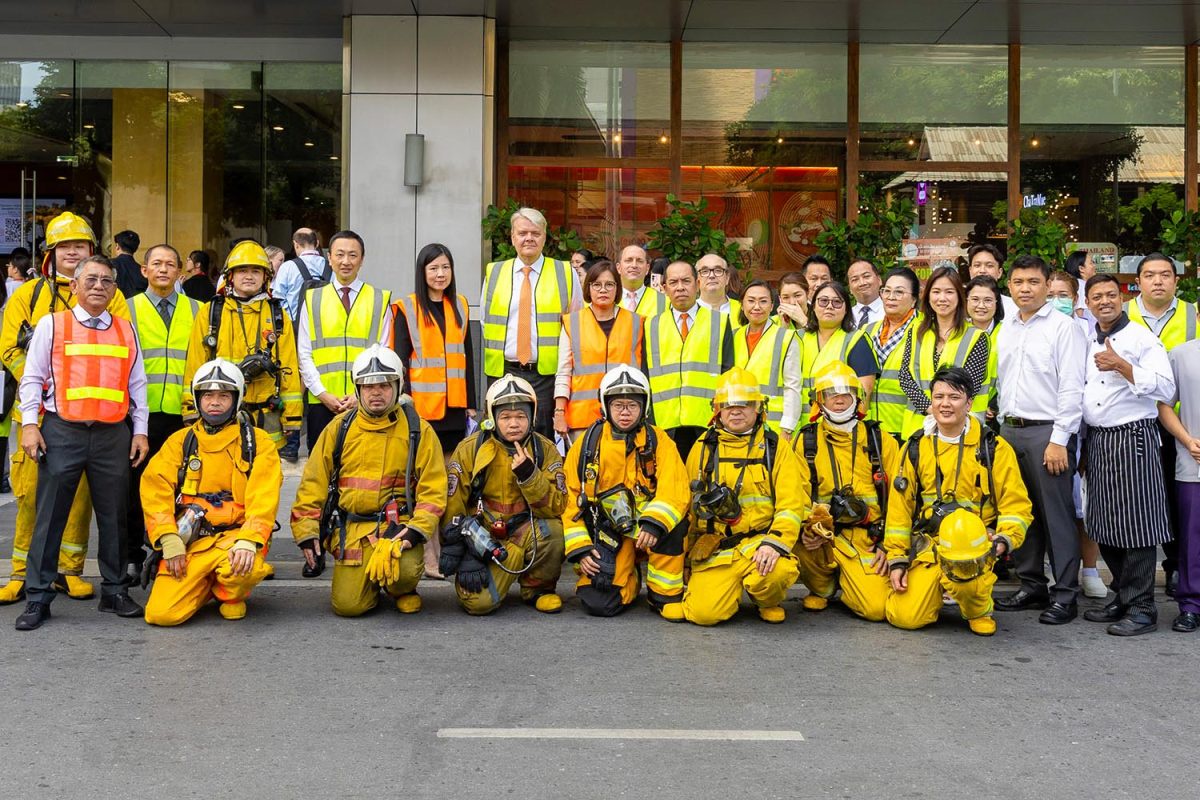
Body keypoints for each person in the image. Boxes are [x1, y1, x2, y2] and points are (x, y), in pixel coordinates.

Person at [0, 212, 130, 605]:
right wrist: (43, 385)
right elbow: (8, 348)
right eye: (65, 246)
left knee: (81, 499)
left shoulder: (113, 296)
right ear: (50, 254)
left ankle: (69, 571)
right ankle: (22, 573)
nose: (73, 252)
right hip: (38, 416)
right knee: (31, 496)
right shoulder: (27, 296)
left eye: (81, 246)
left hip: (92, 418)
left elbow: (123, 352)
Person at [14, 255, 149, 630]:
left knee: (114, 517)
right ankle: (38, 595)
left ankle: (114, 591)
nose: (98, 287)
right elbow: (32, 378)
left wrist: (139, 430)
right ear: (73, 285)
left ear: (115, 289)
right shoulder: (52, 325)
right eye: (90, 280)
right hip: (63, 431)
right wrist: (29, 424)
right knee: (50, 516)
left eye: (106, 281)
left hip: (112, 435)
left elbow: (137, 384)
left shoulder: (125, 330)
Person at [290, 344, 446, 617]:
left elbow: (434, 489)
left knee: (403, 573)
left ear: (398, 386)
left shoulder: (417, 430)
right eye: (368, 385)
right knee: (349, 607)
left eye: (385, 385)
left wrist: (414, 532)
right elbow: (313, 482)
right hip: (351, 531)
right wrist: (306, 532)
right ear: (357, 388)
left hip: (396, 530)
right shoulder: (339, 428)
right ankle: (369, 584)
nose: (376, 393)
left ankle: (401, 589)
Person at [884, 366, 1032, 636]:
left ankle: (978, 605)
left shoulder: (994, 448)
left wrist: (1002, 541)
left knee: (967, 562)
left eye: (954, 397)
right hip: (930, 545)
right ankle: (937, 589)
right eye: (939, 397)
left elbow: (1017, 506)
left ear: (969, 404)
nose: (945, 404)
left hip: (974, 548)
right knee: (905, 617)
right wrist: (897, 559)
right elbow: (899, 511)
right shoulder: (915, 447)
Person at [140, 360, 283, 625]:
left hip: (235, 539)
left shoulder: (258, 443)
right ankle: (206, 583)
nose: (214, 402)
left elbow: (264, 498)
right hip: (192, 542)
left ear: (236, 399)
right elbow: (154, 491)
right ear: (197, 399)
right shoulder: (179, 442)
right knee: (161, 615)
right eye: (207, 395)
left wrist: (249, 541)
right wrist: (168, 540)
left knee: (239, 570)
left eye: (223, 395)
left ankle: (229, 594)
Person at [1077, 274, 1175, 635]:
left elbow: (1166, 388)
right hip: (1099, 440)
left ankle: (1143, 607)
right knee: (1103, 523)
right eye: (1096, 297)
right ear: (1087, 304)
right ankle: (1123, 595)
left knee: (1137, 525)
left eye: (1109, 295)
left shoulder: (1141, 339)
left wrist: (1123, 366)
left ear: (1121, 299)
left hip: (1133, 438)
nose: (1104, 302)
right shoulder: (1089, 340)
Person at [993, 254, 1087, 624]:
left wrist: (1060, 439)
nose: (1025, 289)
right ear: (1009, 286)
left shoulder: (1064, 328)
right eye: (1018, 282)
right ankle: (1032, 586)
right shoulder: (1009, 327)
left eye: (1033, 282)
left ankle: (1065, 594)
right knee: (1021, 511)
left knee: (1057, 516)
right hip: (1011, 430)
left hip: (1048, 431)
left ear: (1048, 285)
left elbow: (1071, 388)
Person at [562, 366, 689, 619]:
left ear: (645, 407)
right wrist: (582, 549)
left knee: (674, 524)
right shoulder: (587, 445)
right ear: (605, 406)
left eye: (632, 404)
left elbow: (675, 490)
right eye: (618, 404)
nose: (625, 412)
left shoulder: (660, 441)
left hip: (650, 532)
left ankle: (662, 594)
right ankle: (628, 577)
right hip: (608, 534)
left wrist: (654, 524)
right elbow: (570, 500)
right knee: (599, 603)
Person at [680, 368, 804, 625]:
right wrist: (685, 560)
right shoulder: (703, 447)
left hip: (760, 545)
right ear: (717, 410)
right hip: (716, 547)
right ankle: (726, 592)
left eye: (744, 404)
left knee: (777, 571)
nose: (735, 411)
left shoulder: (775, 447)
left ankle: (766, 599)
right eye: (727, 405)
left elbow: (791, 506)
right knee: (703, 615)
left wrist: (774, 544)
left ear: (759, 408)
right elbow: (688, 510)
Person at [439, 376, 566, 615]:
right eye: (506, 417)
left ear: (532, 417)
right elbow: (452, 507)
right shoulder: (470, 449)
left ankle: (538, 590)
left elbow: (556, 507)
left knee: (554, 531)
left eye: (521, 417)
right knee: (477, 604)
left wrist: (530, 476)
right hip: (483, 538)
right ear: (492, 418)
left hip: (525, 532)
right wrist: (466, 552)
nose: (514, 424)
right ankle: (501, 572)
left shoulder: (545, 450)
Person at [793, 363, 899, 621]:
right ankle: (824, 588)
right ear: (819, 401)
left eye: (846, 393)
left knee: (874, 610)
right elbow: (795, 497)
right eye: (831, 394)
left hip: (868, 540)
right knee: (793, 540)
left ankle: (851, 584)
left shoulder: (880, 440)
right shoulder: (805, 441)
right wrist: (808, 529)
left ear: (858, 398)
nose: (839, 400)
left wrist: (891, 546)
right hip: (823, 538)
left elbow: (900, 501)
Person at [183, 241, 302, 462]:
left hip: (267, 417)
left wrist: (292, 418)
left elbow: (289, 369)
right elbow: (195, 365)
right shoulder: (210, 313)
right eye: (242, 271)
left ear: (266, 277)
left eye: (256, 271)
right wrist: (191, 409)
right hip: (221, 414)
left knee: (263, 482)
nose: (249, 276)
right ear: (231, 276)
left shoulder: (277, 315)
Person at [125, 244, 199, 581]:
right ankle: (132, 553)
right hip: (141, 414)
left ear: (180, 271)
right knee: (136, 485)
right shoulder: (128, 310)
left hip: (185, 415)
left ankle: (175, 549)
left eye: (171, 264)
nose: (163, 270)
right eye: (157, 264)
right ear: (144, 270)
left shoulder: (198, 310)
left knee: (182, 485)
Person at [1125, 252, 1198, 598]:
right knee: (1138, 498)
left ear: (1176, 281)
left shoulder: (1191, 313)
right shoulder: (1123, 313)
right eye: (1150, 275)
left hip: (1179, 422)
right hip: (1133, 421)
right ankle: (1132, 572)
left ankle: (1176, 566)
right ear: (1137, 281)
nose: (1158, 281)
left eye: (1165, 274)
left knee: (1176, 498)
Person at [481, 208, 581, 440]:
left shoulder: (565, 272)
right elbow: (486, 322)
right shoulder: (494, 272)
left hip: (546, 374)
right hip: (503, 370)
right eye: (522, 232)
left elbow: (575, 324)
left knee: (542, 438)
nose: (529, 238)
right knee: (501, 437)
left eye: (535, 233)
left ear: (544, 237)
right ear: (513, 238)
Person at [298, 230, 393, 449]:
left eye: (353, 255)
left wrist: (358, 395)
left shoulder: (379, 299)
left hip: (366, 401)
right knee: (321, 471)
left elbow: (385, 351)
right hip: (322, 403)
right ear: (329, 258)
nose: (346, 261)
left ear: (362, 260)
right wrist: (322, 393)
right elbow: (304, 353)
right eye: (339, 255)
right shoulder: (313, 299)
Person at [1047, 270, 1106, 599]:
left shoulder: (1090, 332)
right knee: (1055, 507)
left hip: (1084, 427)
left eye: (1063, 295)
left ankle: (1089, 569)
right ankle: (1058, 571)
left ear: (1076, 298)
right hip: (1051, 426)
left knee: (1083, 506)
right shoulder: (1036, 329)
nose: (1057, 301)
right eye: (1051, 294)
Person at [642, 260, 734, 458]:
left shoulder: (719, 322)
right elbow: (645, 375)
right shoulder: (651, 326)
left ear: (698, 284)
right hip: (664, 423)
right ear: (664, 288)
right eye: (673, 282)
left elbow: (728, 372)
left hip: (707, 422)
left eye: (686, 281)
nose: (680, 287)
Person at [392, 243, 475, 455]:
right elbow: (400, 362)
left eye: (446, 267)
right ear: (422, 271)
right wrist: (403, 402)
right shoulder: (407, 307)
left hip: (455, 407)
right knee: (424, 465)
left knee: (452, 466)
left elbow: (468, 359)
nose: (441, 274)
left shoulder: (460, 304)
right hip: (421, 407)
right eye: (434, 268)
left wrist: (471, 403)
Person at [555, 259, 642, 442]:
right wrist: (560, 412)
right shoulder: (572, 323)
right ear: (588, 288)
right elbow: (563, 372)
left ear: (618, 289)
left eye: (609, 284)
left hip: (625, 418)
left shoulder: (637, 323)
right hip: (582, 419)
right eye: (597, 285)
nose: (603, 290)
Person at [898, 266, 989, 439]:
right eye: (936, 291)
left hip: (960, 431)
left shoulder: (976, 337)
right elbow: (905, 377)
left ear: (959, 297)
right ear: (928, 296)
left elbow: (970, 386)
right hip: (917, 429)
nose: (942, 298)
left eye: (949, 292)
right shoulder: (915, 330)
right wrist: (930, 409)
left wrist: (942, 412)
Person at [1160, 334, 1200, 631]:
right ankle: (1190, 604)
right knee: (1191, 539)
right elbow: (1163, 406)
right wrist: (1187, 440)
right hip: (1193, 462)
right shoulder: (1181, 354)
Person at [732, 280, 800, 439]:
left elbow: (793, 385)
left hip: (773, 425)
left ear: (772, 306)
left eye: (763, 301)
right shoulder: (734, 336)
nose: (756, 307)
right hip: (738, 424)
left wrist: (788, 427)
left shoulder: (786, 337)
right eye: (751, 301)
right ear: (742, 305)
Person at [799, 280, 878, 406]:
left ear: (846, 309)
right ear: (813, 306)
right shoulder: (799, 337)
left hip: (840, 422)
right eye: (823, 301)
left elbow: (865, 392)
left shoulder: (856, 340)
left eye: (837, 302)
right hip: (800, 423)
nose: (829, 306)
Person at [865, 266, 920, 439]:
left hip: (907, 429)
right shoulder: (868, 330)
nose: (890, 297)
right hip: (870, 427)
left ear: (913, 300)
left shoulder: (925, 330)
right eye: (886, 291)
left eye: (899, 292)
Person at [273, 227, 331, 320]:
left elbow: (277, 298)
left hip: (295, 328)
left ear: (295, 244)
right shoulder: (331, 267)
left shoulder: (288, 267)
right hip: (325, 326)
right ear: (317, 243)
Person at [965, 244, 1018, 320]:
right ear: (970, 271)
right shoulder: (958, 307)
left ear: (999, 272)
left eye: (989, 266)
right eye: (977, 265)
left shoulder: (1014, 308)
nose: (982, 270)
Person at [617, 244, 666, 317]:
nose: (634, 265)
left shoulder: (663, 301)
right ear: (618, 268)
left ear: (647, 268)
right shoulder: (608, 297)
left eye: (640, 261)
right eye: (628, 260)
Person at [695, 253, 741, 320]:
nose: (711, 276)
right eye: (705, 271)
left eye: (718, 271)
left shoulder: (743, 310)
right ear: (697, 279)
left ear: (727, 278)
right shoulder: (686, 311)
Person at [111, 229, 148, 300]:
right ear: (136, 249)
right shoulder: (143, 271)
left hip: (115, 308)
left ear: (117, 246)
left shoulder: (108, 265)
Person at [847, 258, 884, 329]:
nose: (862, 283)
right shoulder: (845, 317)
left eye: (866, 276)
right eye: (855, 279)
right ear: (850, 289)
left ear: (879, 280)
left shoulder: (892, 312)